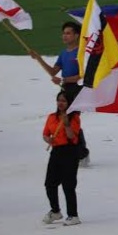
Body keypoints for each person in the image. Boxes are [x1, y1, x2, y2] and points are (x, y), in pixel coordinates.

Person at [30, 21, 90, 167]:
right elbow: (53, 72)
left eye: (69, 33)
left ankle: (81, 152)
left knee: (72, 118)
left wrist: (63, 79)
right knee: (67, 118)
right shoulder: (64, 53)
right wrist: (38, 58)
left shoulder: (81, 53)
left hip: (76, 89)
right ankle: (79, 151)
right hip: (65, 89)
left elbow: (82, 75)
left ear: (76, 35)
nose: (65, 36)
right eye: (64, 33)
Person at [42, 91, 82, 226]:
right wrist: (48, 139)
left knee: (68, 185)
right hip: (56, 151)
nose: (60, 103)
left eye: (64, 101)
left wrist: (66, 124)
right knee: (49, 183)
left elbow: (72, 137)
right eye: (59, 100)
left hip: (69, 152)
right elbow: (45, 134)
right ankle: (55, 210)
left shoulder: (74, 118)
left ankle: (73, 215)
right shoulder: (52, 117)